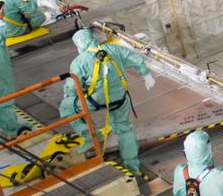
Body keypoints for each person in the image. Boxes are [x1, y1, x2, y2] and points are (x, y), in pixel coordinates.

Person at [60, 28, 155, 174]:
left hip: (95, 101)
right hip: (120, 99)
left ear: (79, 45)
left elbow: (72, 87)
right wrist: (146, 75)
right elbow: (136, 59)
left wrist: (71, 97)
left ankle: (89, 135)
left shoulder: (78, 62)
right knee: (125, 128)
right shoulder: (114, 49)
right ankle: (132, 166)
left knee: (66, 107)